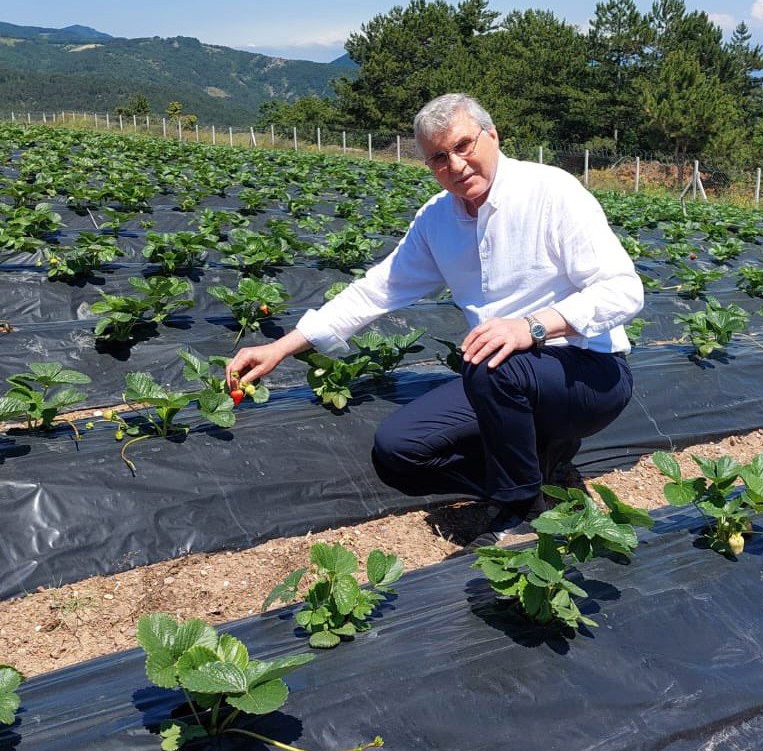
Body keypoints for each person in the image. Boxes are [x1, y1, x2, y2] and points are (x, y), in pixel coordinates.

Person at [226, 93, 643, 546]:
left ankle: (520, 512)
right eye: (439, 157)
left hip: (588, 374)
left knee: (489, 361)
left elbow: (623, 290)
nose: (456, 164)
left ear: (493, 136)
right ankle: (537, 474)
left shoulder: (551, 191)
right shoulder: (436, 220)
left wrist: (531, 326)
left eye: (464, 145)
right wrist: (281, 347)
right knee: (398, 451)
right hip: (505, 377)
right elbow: (377, 289)